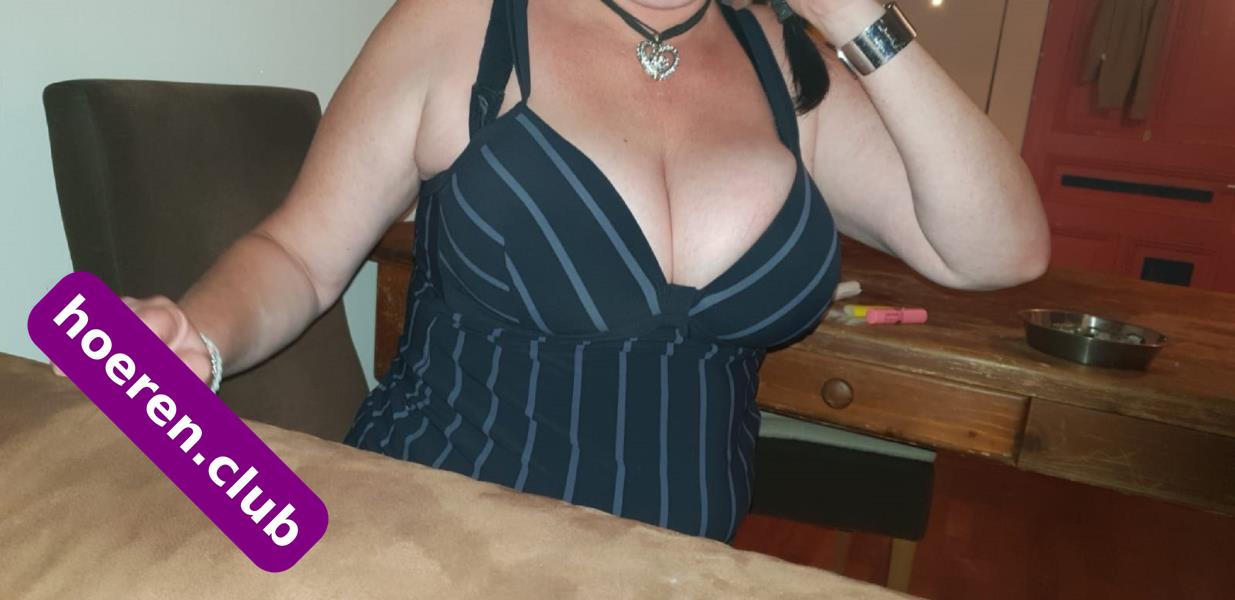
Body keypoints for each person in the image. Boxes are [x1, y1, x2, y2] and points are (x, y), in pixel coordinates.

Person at [113, 0, 1049, 543]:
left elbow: (996, 251)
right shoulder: (461, 25)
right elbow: (300, 257)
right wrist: (200, 336)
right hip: (429, 550)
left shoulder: (784, 64)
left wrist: (857, 18)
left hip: (673, 573)